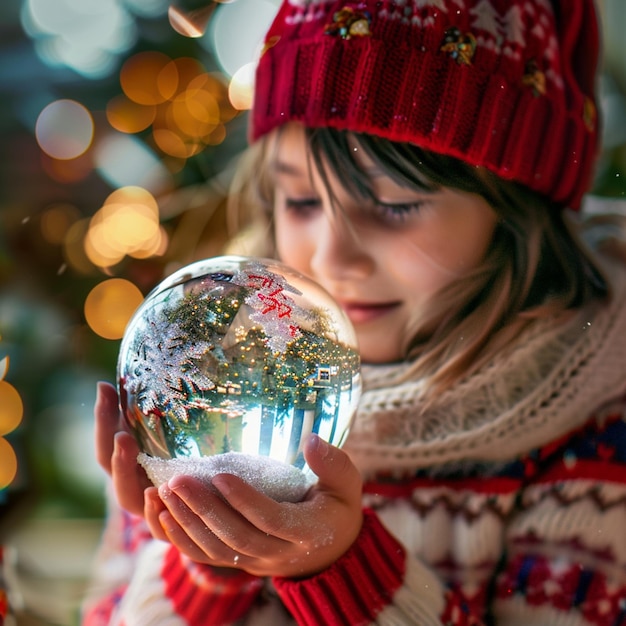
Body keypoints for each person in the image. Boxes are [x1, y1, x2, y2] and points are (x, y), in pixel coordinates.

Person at [82, 0, 626, 624]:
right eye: (302, 200)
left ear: (512, 210)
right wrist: (204, 558)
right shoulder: (198, 401)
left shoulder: (594, 427)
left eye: (394, 204)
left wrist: (337, 570)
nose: (333, 258)